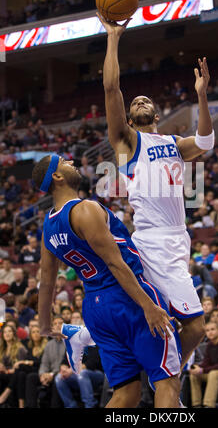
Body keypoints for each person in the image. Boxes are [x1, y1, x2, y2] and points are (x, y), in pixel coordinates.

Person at [87, 13, 214, 371]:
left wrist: (201, 96)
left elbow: (205, 141)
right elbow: (111, 88)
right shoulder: (128, 142)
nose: (140, 100)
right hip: (151, 242)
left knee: (173, 325)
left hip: (177, 241)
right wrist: (113, 36)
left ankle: (160, 378)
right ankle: (167, 382)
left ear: (157, 114)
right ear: (128, 119)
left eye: (146, 100)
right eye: (135, 103)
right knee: (196, 326)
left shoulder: (173, 142)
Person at [32, 155, 181, 408]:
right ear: (56, 177)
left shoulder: (48, 226)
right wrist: (147, 306)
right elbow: (115, 263)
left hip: (95, 307)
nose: (71, 162)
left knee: (127, 393)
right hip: (128, 297)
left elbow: (46, 283)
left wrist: (45, 325)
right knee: (167, 380)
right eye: (64, 163)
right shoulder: (85, 209)